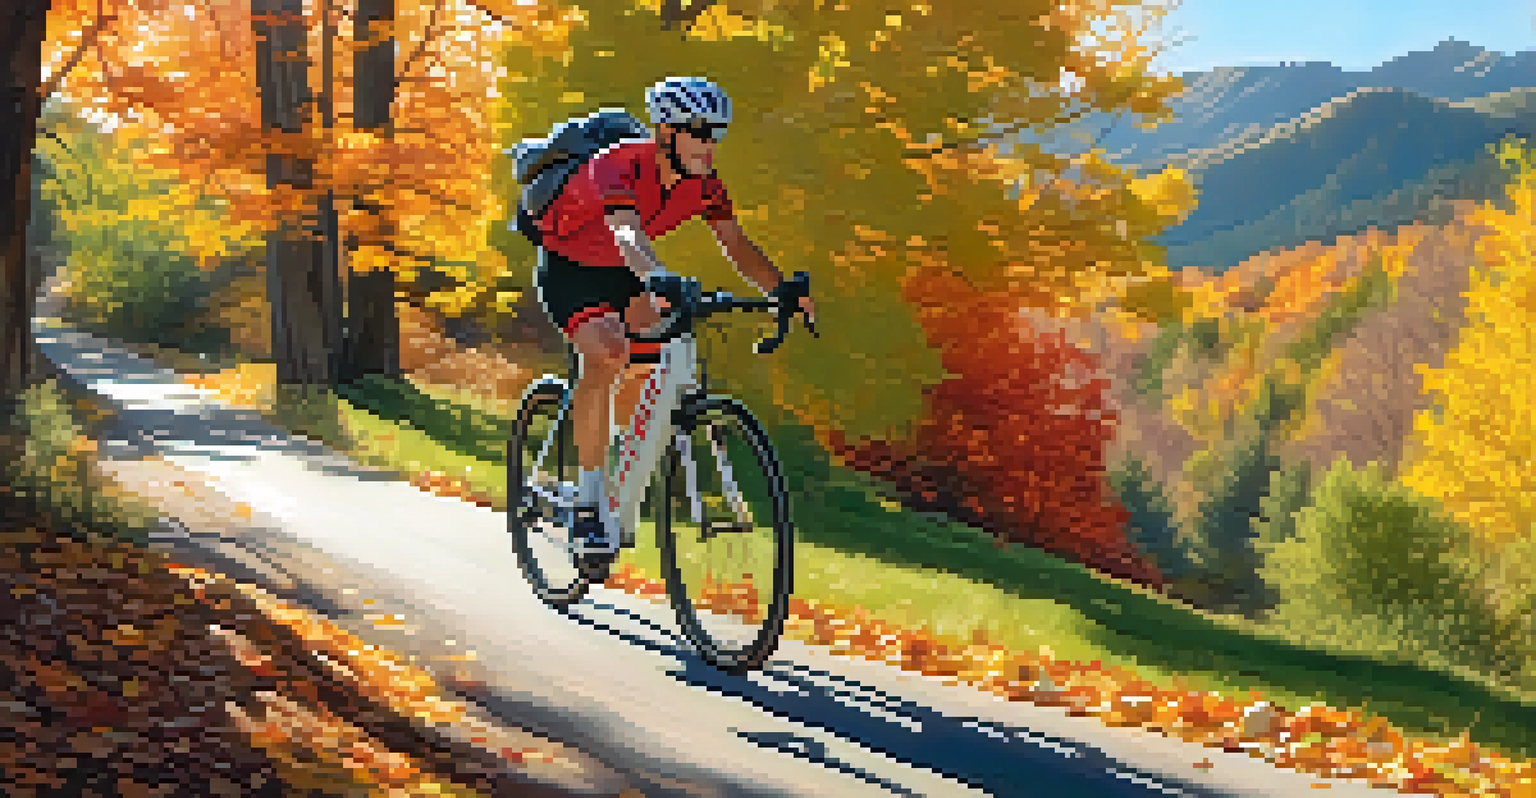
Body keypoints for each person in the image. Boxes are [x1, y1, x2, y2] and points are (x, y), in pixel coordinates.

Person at [531, 76, 816, 555]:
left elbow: (736, 245)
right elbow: (624, 233)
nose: (710, 145)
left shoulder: (705, 186)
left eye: (717, 134)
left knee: (648, 366)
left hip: (629, 271)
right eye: (700, 132)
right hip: (571, 265)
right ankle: (588, 499)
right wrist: (661, 276)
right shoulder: (617, 164)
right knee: (606, 354)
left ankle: (613, 461)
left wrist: (781, 289)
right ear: (666, 133)